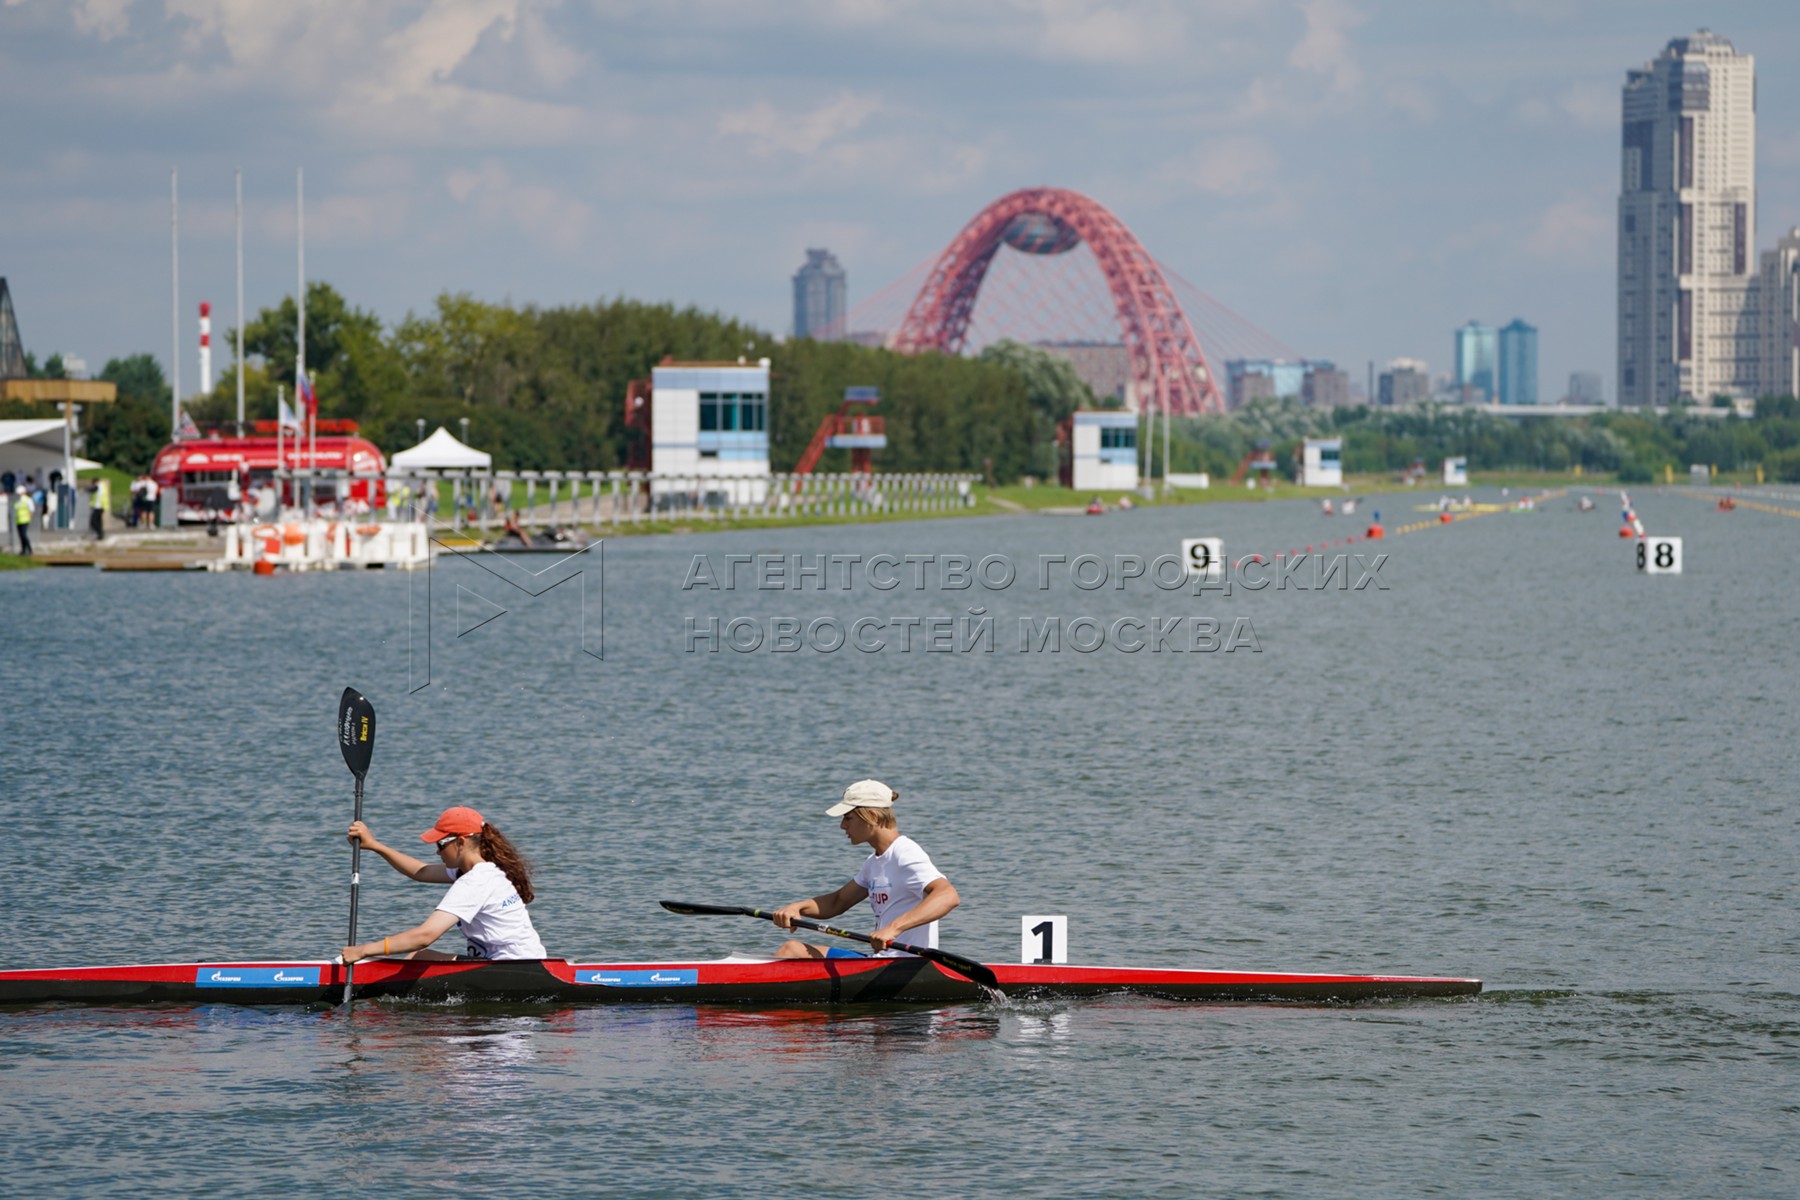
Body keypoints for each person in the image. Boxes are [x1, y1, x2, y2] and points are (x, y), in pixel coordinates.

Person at [772, 780, 961, 959]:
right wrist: (797, 908)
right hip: (880, 960)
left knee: (791, 950)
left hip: (907, 966)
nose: (842, 826)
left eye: (848, 818)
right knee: (792, 949)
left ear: (872, 816)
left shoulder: (905, 853)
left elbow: (948, 896)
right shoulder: (874, 862)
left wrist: (893, 929)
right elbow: (838, 902)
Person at [340, 805, 546, 963]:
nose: (437, 852)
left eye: (440, 844)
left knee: (418, 954)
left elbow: (425, 935)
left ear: (461, 842)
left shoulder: (475, 882)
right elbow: (421, 872)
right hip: (518, 962)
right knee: (420, 957)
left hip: (511, 967)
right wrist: (375, 845)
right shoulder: (485, 870)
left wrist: (363, 950)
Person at [13, 486, 35, 555]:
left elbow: (31, 510)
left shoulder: (27, 500)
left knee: (24, 535)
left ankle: (29, 549)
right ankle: (23, 550)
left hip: (25, 520)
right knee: (21, 536)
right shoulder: (18, 500)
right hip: (18, 520)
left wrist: (29, 518)